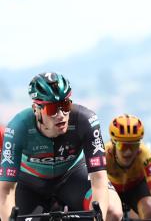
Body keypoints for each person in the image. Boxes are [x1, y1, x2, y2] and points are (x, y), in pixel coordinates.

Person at [0, 72, 122, 221]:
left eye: (65, 105)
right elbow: (6, 189)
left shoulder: (86, 120)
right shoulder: (17, 128)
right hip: (30, 184)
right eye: (52, 109)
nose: (61, 115)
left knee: (112, 212)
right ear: (35, 109)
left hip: (73, 176)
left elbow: (98, 177)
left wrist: (98, 217)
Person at [106, 114, 151, 219]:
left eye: (133, 145)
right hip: (112, 188)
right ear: (113, 143)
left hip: (136, 188)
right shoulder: (105, 154)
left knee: (149, 209)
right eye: (122, 146)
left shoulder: (145, 153)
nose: (128, 152)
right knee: (110, 213)